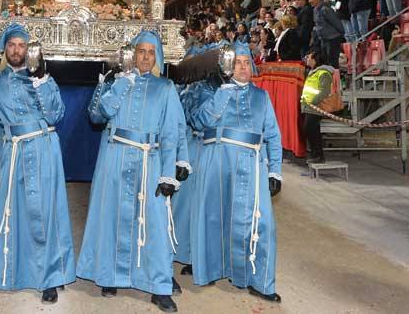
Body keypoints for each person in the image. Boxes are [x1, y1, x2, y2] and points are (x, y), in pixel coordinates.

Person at [0, 24, 75, 302]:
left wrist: (41, 82)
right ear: (5, 49)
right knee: (13, 212)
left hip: (45, 148)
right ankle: (10, 270)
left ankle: (49, 277)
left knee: (45, 212)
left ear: (29, 49)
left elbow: (56, 115)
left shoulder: (44, 79)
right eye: (11, 45)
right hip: (12, 152)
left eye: (21, 45)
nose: (16, 50)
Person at [78, 31, 184, 312]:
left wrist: (168, 174)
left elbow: (171, 134)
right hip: (115, 156)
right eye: (141, 51)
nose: (145, 57)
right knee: (111, 215)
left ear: (157, 56)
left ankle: (158, 285)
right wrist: (120, 84)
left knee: (154, 222)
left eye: (151, 52)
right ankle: (109, 274)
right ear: (133, 54)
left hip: (151, 160)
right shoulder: (117, 83)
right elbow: (97, 116)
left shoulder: (166, 88)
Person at [192, 42, 282, 302]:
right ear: (229, 67)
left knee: (260, 223)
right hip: (218, 161)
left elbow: (273, 136)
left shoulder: (262, 97)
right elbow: (198, 122)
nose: (243, 67)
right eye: (238, 62)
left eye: (246, 62)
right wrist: (222, 95)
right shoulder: (214, 92)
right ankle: (212, 269)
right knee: (214, 216)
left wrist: (275, 171)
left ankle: (259, 281)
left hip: (253, 164)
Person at [301, 49, 334, 164]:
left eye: (309, 57)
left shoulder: (324, 73)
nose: (307, 59)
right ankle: (316, 154)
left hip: (316, 108)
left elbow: (324, 91)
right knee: (310, 130)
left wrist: (312, 102)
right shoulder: (313, 72)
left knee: (311, 130)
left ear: (316, 60)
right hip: (309, 107)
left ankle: (318, 155)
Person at [309, 0, 345, 69]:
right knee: (326, 62)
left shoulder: (325, 9)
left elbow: (336, 22)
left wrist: (342, 34)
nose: (310, 1)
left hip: (332, 38)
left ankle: (336, 80)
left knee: (333, 62)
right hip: (323, 39)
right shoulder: (315, 10)